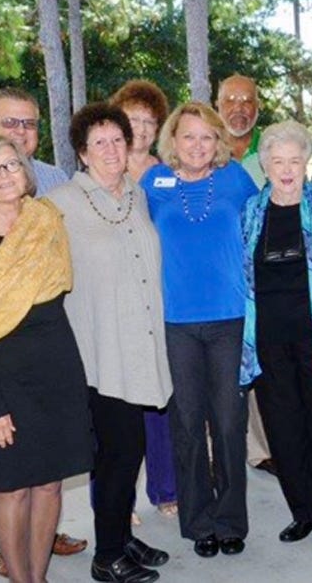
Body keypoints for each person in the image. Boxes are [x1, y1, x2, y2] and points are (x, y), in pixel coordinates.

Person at [0, 136, 93, 583]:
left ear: (26, 174)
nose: (5, 176)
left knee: (49, 482)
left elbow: (60, 286)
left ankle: (39, 576)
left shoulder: (46, 222)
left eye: (12, 166)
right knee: (11, 488)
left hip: (55, 365)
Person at [47, 104, 172, 582]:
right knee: (118, 452)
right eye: (98, 142)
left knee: (132, 448)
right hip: (98, 351)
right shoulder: (60, 204)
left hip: (139, 345)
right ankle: (108, 557)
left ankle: (120, 534)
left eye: (117, 140)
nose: (111, 150)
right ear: (82, 152)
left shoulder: (137, 197)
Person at [140, 102, 258, 558]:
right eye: (188, 136)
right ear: (173, 140)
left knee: (229, 424)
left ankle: (230, 520)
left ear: (219, 142)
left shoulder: (236, 181)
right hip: (175, 324)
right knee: (187, 424)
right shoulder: (153, 183)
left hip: (231, 319)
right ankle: (198, 520)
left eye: (207, 137)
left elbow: (263, 229)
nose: (197, 145)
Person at [240, 121, 312, 556]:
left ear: (308, 162)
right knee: (284, 432)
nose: (286, 169)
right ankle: (301, 511)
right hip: (268, 341)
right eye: (277, 161)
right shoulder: (251, 211)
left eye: (295, 160)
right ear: (264, 165)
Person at [109, 79, 179, 520]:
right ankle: (119, 495)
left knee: (159, 400)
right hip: (115, 301)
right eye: (132, 119)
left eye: (149, 121)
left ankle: (166, 488)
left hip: (161, 299)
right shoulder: (102, 171)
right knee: (116, 407)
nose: (140, 128)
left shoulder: (167, 172)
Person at [215, 73, 275, 475]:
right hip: (214, 276)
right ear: (217, 105)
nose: (239, 108)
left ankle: (263, 448)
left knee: (260, 362)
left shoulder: (270, 151)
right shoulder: (203, 148)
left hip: (261, 277)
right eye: (231, 100)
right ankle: (216, 452)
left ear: (258, 107)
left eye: (247, 100)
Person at [109, 79, 171, 183]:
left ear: (158, 127)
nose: (142, 128)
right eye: (134, 120)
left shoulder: (169, 171)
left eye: (149, 122)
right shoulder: (104, 169)